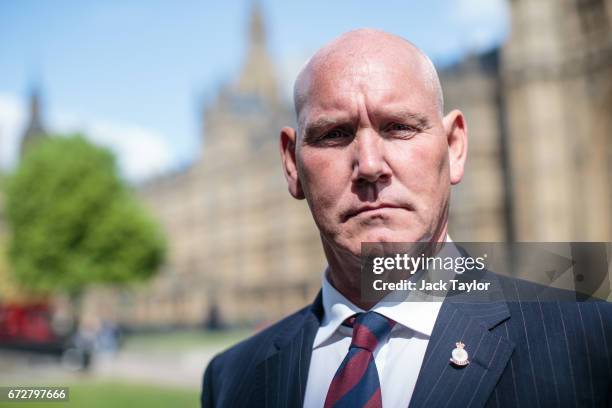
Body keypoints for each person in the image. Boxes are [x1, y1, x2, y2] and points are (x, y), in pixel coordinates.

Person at [201, 29, 611, 407]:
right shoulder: (231, 380)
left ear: (454, 148)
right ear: (292, 165)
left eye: (398, 128)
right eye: (335, 134)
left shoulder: (592, 344)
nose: (370, 165)